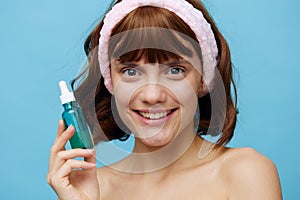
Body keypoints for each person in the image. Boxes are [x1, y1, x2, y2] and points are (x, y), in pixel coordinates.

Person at [47, 0, 282, 199]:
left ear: (203, 79)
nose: (152, 96)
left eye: (175, 70)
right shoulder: (94, 189)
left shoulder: (246, 173)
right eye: (131, 71)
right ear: (110, 82)